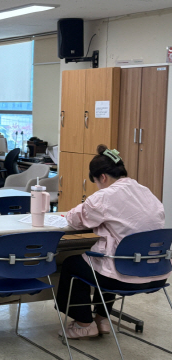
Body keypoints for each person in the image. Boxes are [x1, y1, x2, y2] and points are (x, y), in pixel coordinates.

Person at [55, 145, 169, 339]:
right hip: (157, 274)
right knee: (109, 259)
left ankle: (84, 324)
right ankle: (102, 319)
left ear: (103, 177)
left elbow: (74, 219)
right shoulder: (146, 192)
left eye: (96, 182)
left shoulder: (105, 196)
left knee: (72, 264)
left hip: (124, 278)